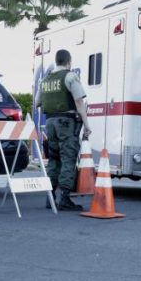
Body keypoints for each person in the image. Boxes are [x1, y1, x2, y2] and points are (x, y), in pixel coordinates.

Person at [35, 49, 91, 211]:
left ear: (56, 60)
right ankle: (65, 198)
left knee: (54, 159)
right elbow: (79, 102)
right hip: (66, 123)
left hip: (50, 122)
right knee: (68, 158)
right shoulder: (70, 76)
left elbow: (38, 103)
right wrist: (87, 125)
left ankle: (50, 198)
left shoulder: (45, 79)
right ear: (69, 61)